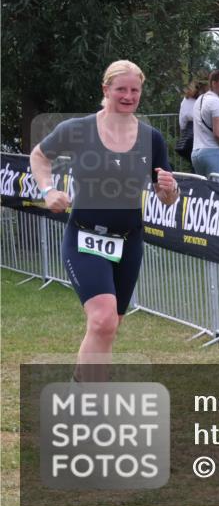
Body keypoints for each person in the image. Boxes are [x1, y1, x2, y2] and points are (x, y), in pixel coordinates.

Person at [28, 60, 179, 382]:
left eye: (134, 90)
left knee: (109, 326)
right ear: (105, 89)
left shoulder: (151, 138)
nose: (128, 96)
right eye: (121, 89)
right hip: (84, 237)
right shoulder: (78, 129)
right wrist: (48, 190)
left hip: (128, 240)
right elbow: (39, 156)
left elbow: (166, 193)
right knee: (102, 321)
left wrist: (171, 190)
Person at [191, 69, 219, 176]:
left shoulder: (199, 100)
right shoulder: (217, 102)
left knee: (203, 191)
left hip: (196, 153)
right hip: (214, 152)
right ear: (214, 83)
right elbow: (218, 134)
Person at [176, 74, 208, 163]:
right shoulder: (206, 100)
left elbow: (182, 122)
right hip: (202, 137)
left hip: (187, 137)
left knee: (195, 166)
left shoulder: (186, 100)